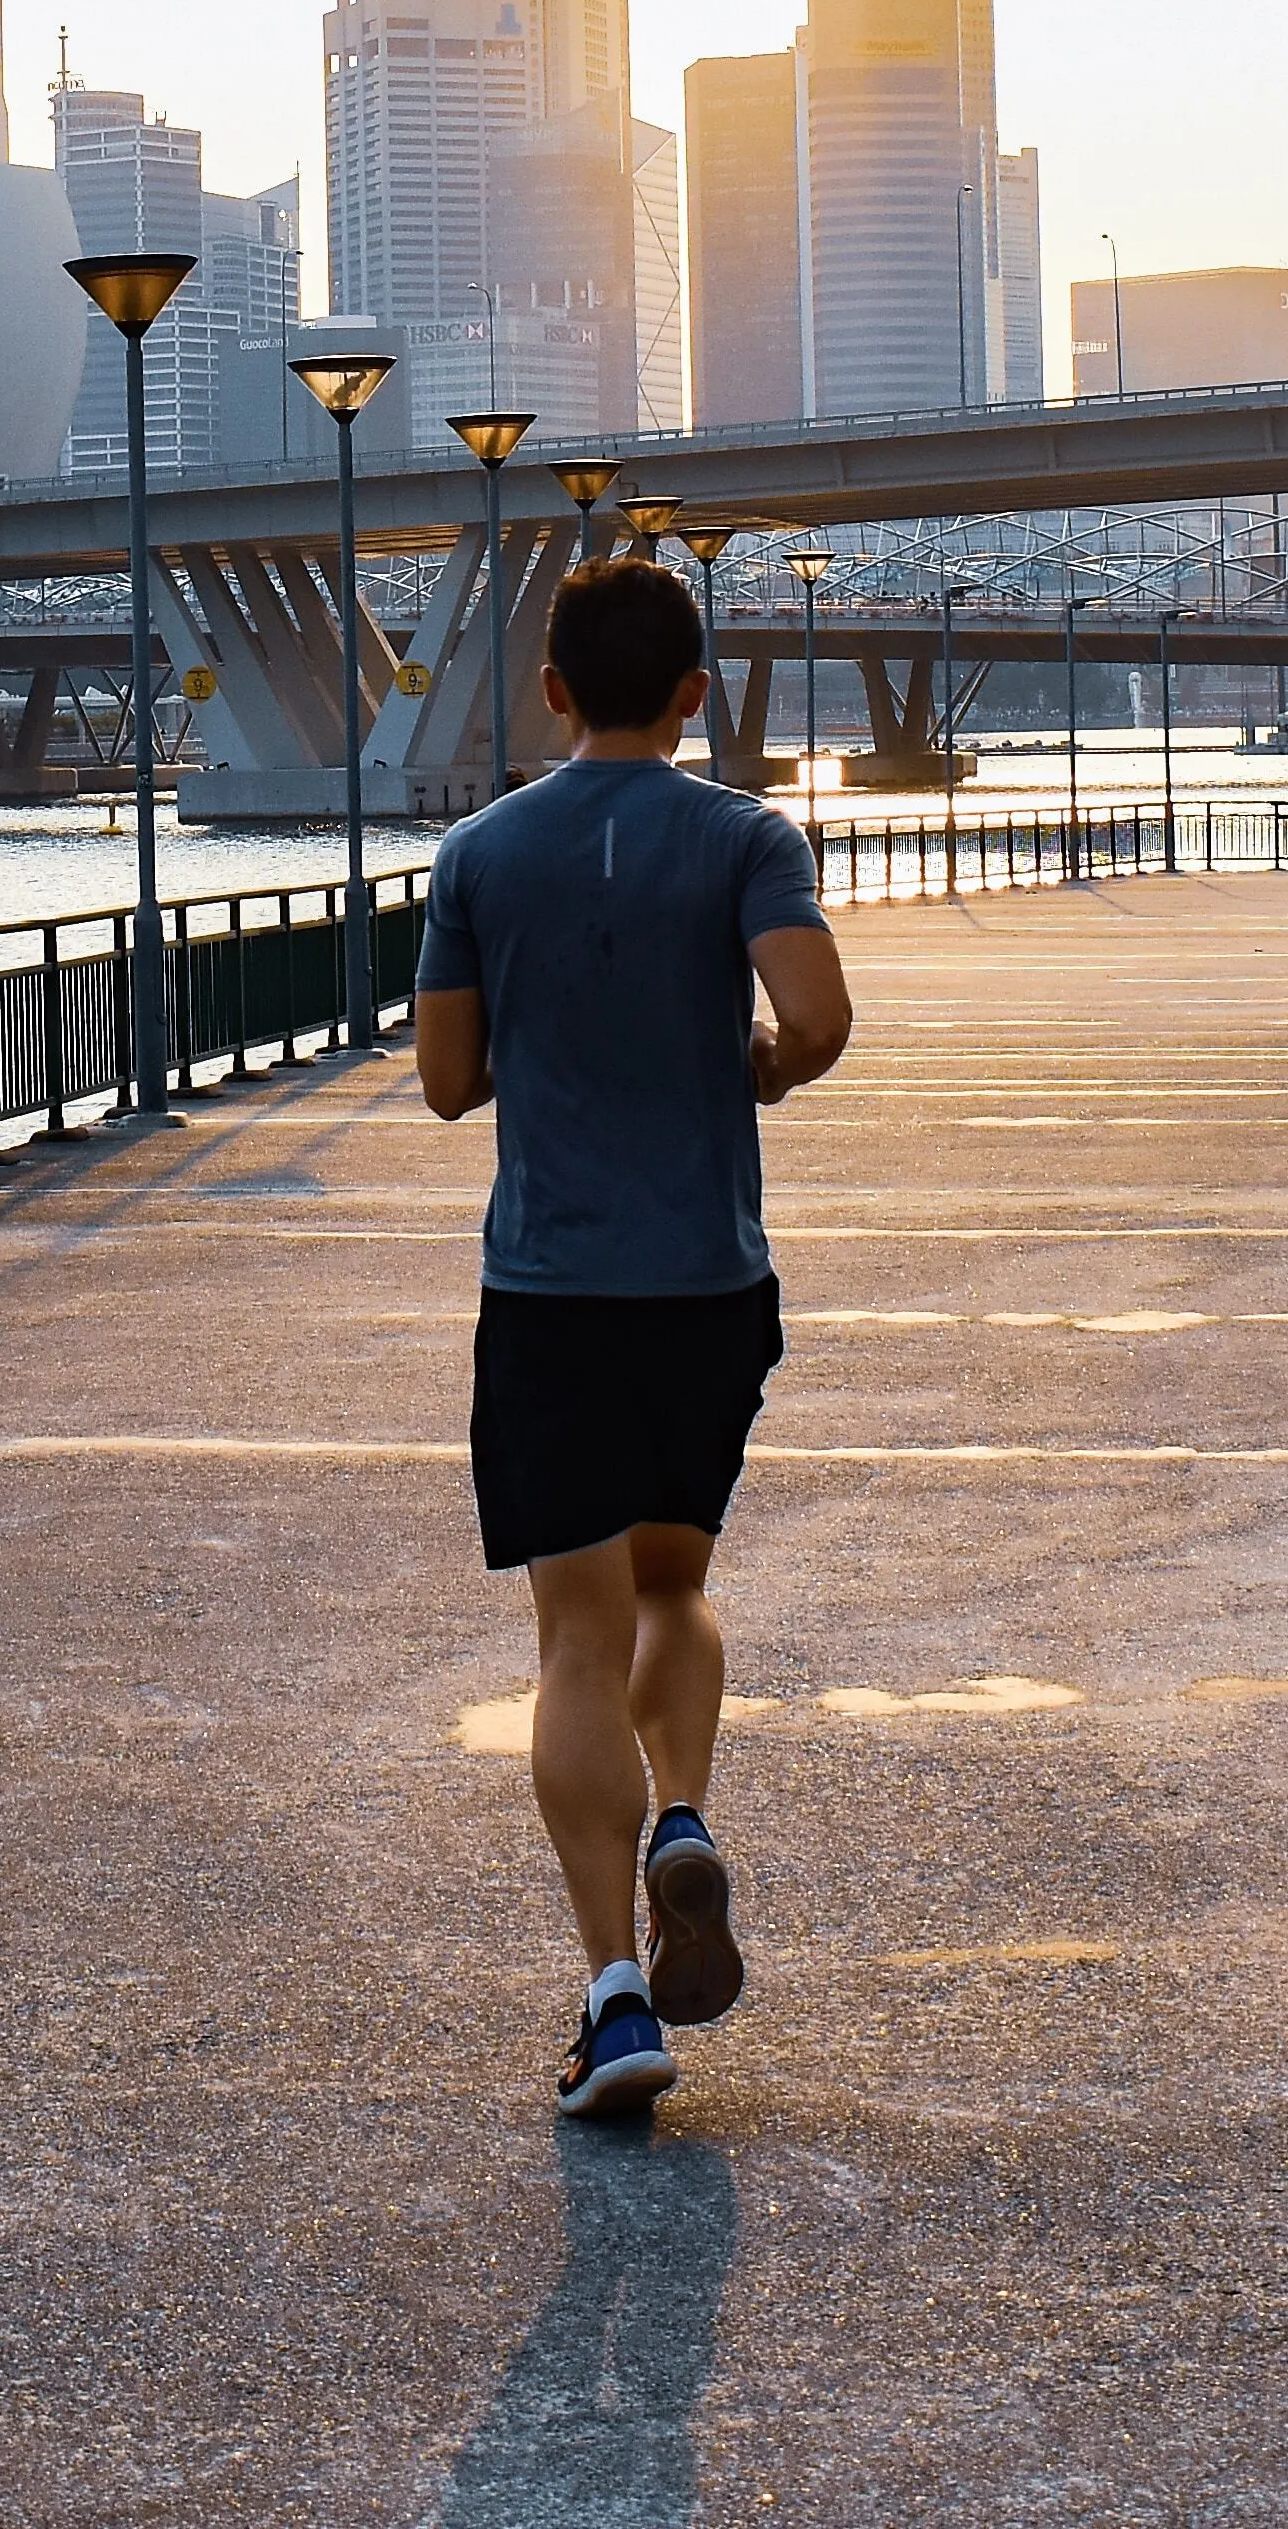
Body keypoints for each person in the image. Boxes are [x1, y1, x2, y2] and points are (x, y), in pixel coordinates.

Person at [414, 551, 855, 2119]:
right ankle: (685, 1817)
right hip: (706, 1289)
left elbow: (447, 1082)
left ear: (548, 692)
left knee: (573, 1640)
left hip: (549, 1294)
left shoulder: (477, 855)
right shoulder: (747, 835)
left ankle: (614, 1999)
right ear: (693, 695)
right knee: (676, 1586)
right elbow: (817, 1021)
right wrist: (760, 1069)